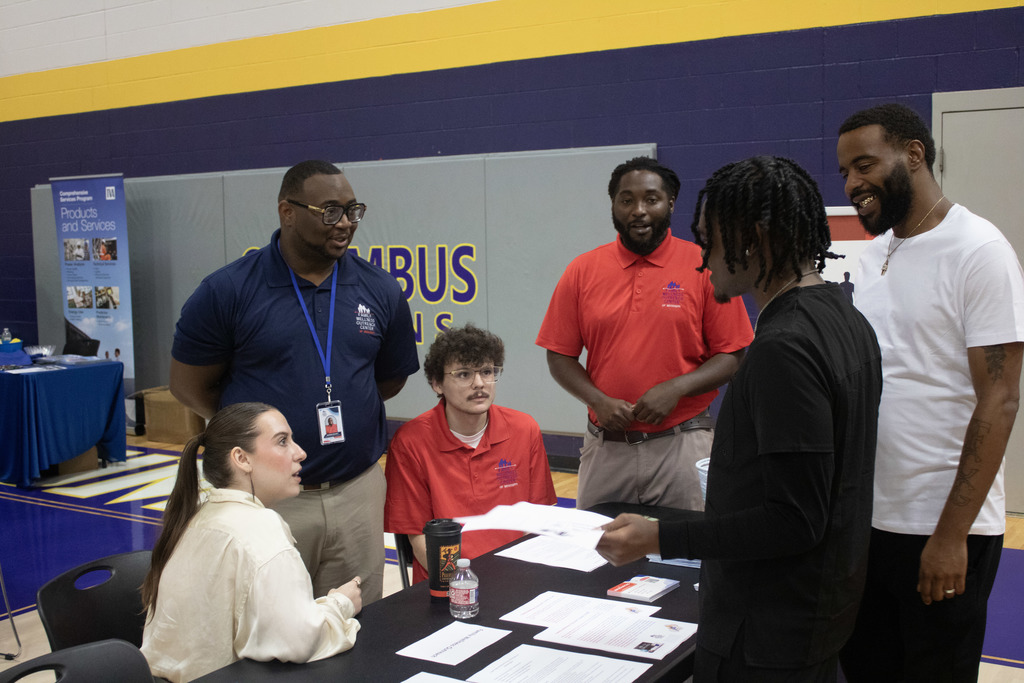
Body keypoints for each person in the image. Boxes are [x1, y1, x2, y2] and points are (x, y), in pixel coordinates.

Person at [597, 156, 882, 681]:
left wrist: (660, 537)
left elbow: (793, 519)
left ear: (753, 238)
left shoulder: (784, 348)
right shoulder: (847, 318)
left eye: (711, 240)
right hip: (818, 610)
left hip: (768, 633)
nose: (704, 259)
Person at [169, 160, 420, 603]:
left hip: (356, 491)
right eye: (330, 212)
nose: (345, 224)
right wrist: (257, 435)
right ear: (287, 212)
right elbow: (189, 387)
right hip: (267, 499)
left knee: (357, 630)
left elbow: (388, 379)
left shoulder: (380, 289)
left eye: (353, 211)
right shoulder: (227, 291)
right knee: (266, 632)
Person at [836, 103, 1024, 682]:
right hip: (870, 525)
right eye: (845, 171)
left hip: (942, 529)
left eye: (864, 165)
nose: (853, 184)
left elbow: (1001, 399)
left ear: (914, 154)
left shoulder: (979, 251)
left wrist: (949, 537)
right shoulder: (873, 257)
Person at [536, 156, 753, 511]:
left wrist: (676, 388)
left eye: (650, 199)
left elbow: (733, 355)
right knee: (594, 557)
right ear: (613, 205)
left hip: (683, 446)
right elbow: (559, 355)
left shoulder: (704, 265)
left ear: (670, 203)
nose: (638, 210)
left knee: (688, 559)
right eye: (626, 200)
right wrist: (597, 400)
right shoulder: (582, 270)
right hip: (606, 448)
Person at [140, 402, 362, 683]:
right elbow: (299, 642)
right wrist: (340, 604)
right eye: (282, 441)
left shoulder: (199, 513)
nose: (300, 452)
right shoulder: (261, 528)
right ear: (242, 459)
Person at [385, 323, 557, 583]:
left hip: (517, 578)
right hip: (449, 585)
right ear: (437, 383)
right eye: (464, 374)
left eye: (487, 372)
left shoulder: (525, 429)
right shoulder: (410, 442)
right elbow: (418, 537)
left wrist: (527, 580)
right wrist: (464, 587)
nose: (479, 384)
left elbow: (540, 521)